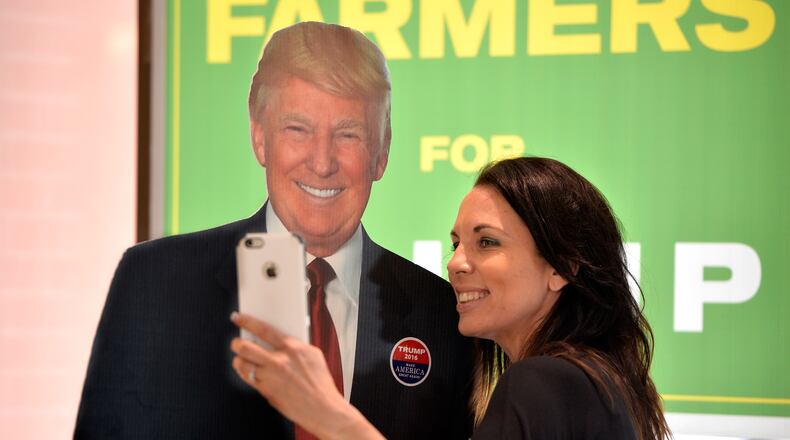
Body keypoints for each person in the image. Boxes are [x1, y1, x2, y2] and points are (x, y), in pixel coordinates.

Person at [75, 22, 474, 439]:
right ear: (259, 137)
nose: (322, 162)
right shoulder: (155, 283)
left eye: (348, 134)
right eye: (298, 129)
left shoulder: (443, 316)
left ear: (382, 151)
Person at [230, 156, 671, 439]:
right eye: (456, 242)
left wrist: (329, 415)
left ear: (563, 268)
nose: (456, 263)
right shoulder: (596, 379)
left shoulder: (543, 383)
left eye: (488, 243)